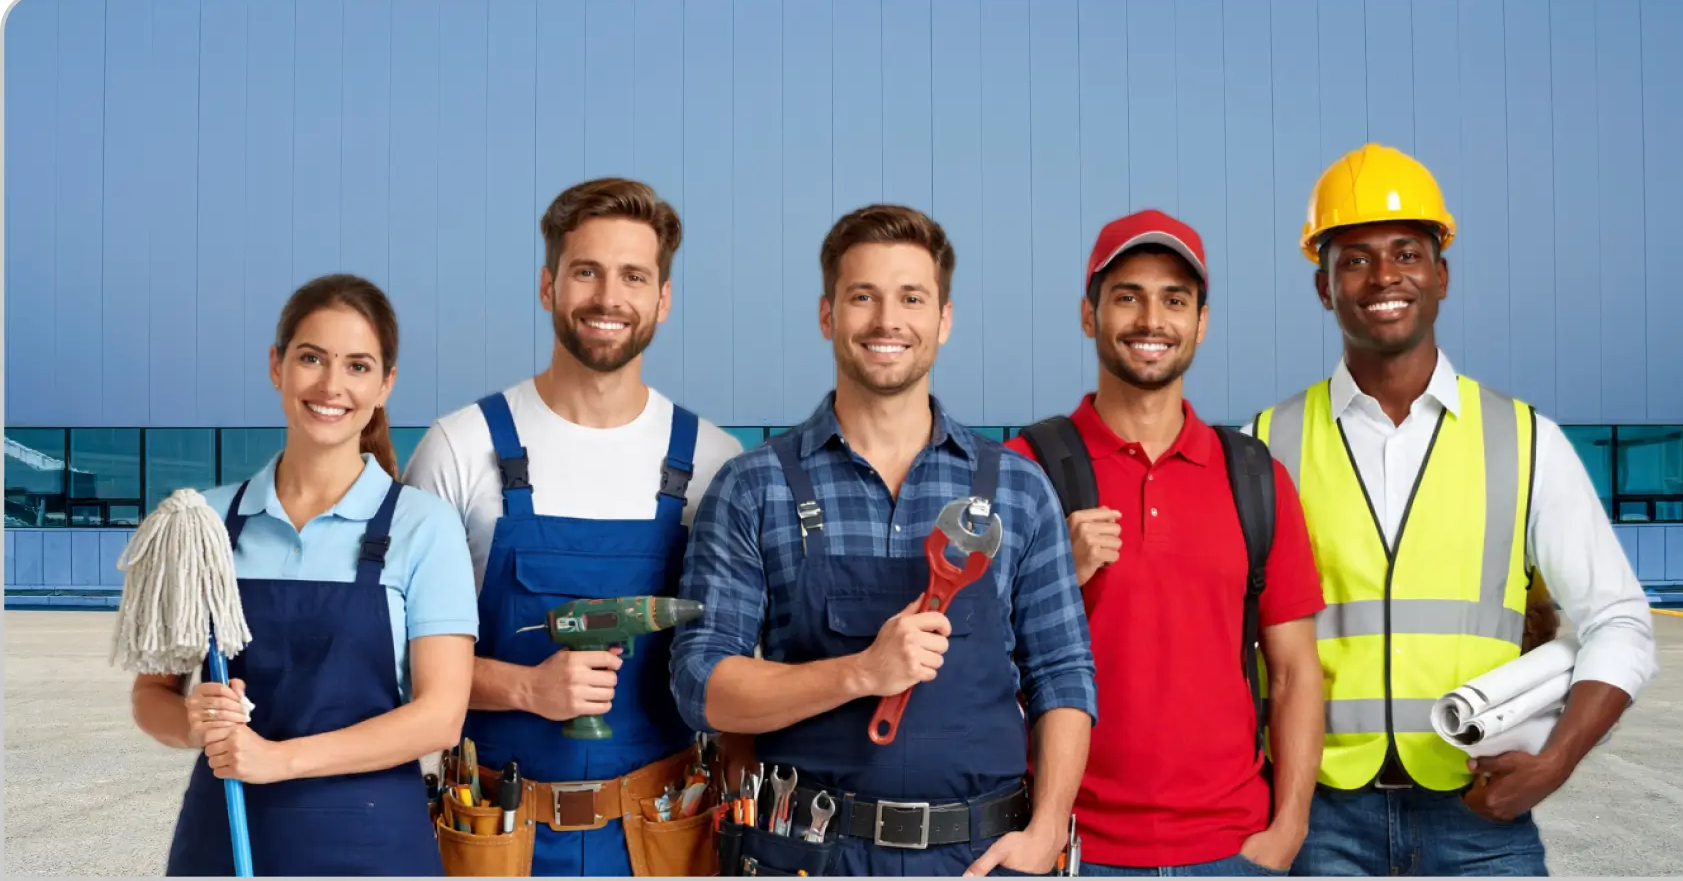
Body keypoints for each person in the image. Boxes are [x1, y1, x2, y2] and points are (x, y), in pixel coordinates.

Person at [1243, 143, 1660, 877]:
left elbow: (1619, 621)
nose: (1383, 277)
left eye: (1407, 252)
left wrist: (1558, 760)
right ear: (1323, 286)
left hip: (1478, 815)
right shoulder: (1265, 442)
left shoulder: (1527, 440)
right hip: (1316, 818)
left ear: (1441, 274)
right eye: (1354, 258)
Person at [668, 203, 1098, 878]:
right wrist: (862, 673)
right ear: (826, 315)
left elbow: (1064, 676)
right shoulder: (754, 487)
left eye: (911, 298)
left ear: (944, 320)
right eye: (862, 296)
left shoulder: (1018, 488)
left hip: (984, 858)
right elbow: (701, 686)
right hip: (806, 854)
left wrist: (1046, 832)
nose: (886, 320)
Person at [402, 177, 745, 877]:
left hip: (665, 836)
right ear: (548, 286)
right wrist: (526, 688)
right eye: (585, 271)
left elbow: (738, 675)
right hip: (496, 835)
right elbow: (393, 663)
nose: (608, 297)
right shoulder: (459, 449)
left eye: (633, 276)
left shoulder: (715, 463)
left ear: (663, 299)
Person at [1006, 210, 1328, 877]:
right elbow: (967, 657)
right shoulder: (1024, 467)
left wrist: (1289, 828)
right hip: (1069, 849)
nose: (1151, 319)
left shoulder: (1256, 479)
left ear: (1201, 324)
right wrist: (1053, 577)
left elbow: (1295, 672)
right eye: (1127, 295)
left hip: (1233, 852)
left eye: (1174, 300)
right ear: (1089, 315)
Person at [132, 274, 479, 876]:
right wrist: (194, 724)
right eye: (311, 358)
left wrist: (276, 759)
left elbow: (440, 717)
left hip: (376, 846)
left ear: (385, 385)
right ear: (277, 365)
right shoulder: (203, 522)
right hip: (226, 839)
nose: (331, 386)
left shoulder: (425, 526)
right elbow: (151, 696)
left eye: (358, 366)